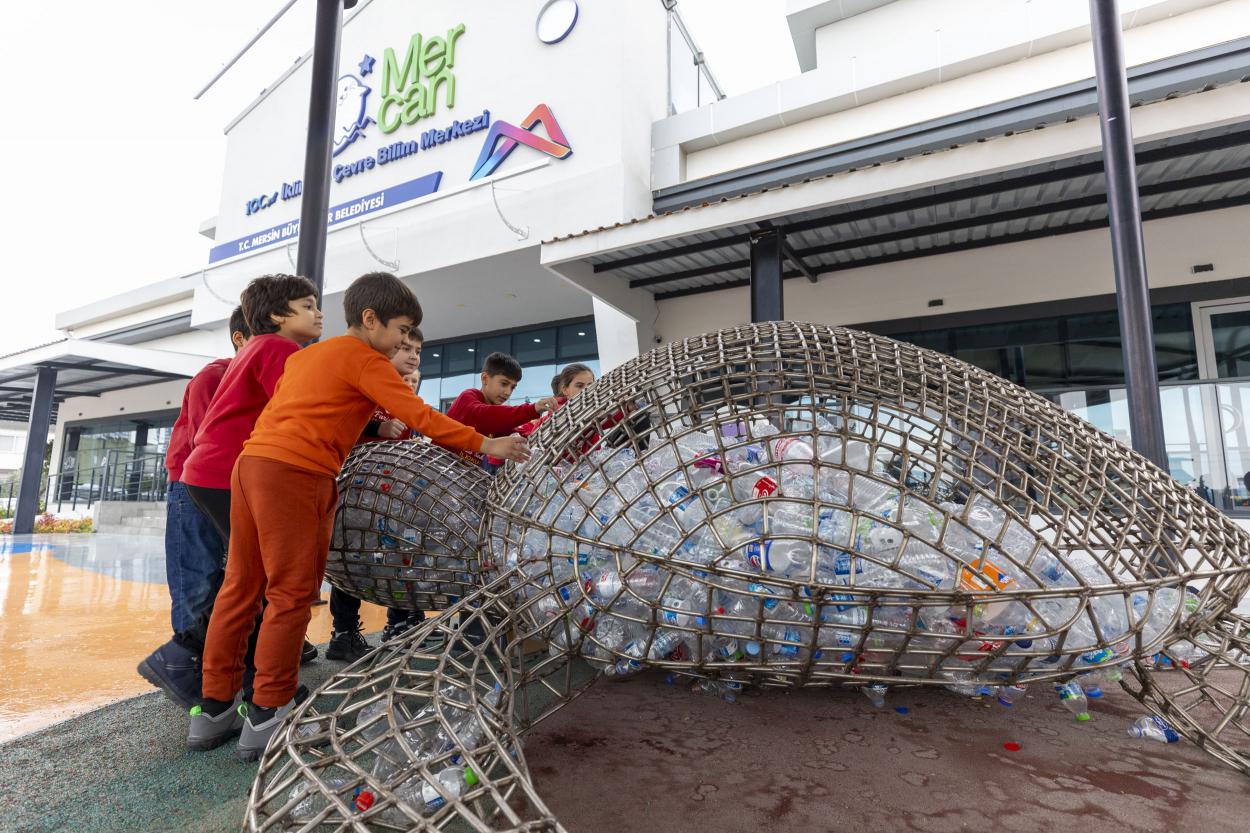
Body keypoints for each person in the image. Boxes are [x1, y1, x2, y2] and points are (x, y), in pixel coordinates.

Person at [186, 271, 529, 761]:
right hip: (296, 473)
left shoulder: (309, 355)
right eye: (402, 331)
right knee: (290, 593)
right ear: (371, 319)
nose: (405, 342)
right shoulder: (366, 359)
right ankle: (269, 710)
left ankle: (213, 707)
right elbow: (420, 416)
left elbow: (312, 409)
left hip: (250, 465)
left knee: (241, 587)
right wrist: (486, 443)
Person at [145, 274, 323, 710]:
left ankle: (232, 674)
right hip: (209, 479)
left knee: (242, 578)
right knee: (210, 579)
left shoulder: (252, 362)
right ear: (245, 335)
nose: (318, 314)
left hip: (224, 478)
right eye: (307, 306)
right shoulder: (241, 364)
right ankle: (190, 663)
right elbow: (290, 409)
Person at [137, 307, 249, 709]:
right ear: (240, 339)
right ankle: (187, 672)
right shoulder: (214, 377)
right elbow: (210, 441)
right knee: (196, 580)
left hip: (235, 487)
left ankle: (223, 668)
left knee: (230, 579)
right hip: (193, 484)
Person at [325, 329, 426, 662]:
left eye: (417, 350)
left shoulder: (404, 400)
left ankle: (400, 623)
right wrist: (375, 428)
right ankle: (343, 631)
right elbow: (339, 419)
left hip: (389, 495)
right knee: (349, 558)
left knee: (399, 555)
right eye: (405, 348)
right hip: (355, 490)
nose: (413, 356)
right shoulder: (365, 384)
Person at [443, 351, 556, 472]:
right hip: (439, 469)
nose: (508, 392)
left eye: (512, 387)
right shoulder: (467, 398)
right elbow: (488, 415)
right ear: (485, 378)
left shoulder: (496, 420)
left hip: (460, 477)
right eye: (504, 384)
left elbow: (514, 434)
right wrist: (532, 409)